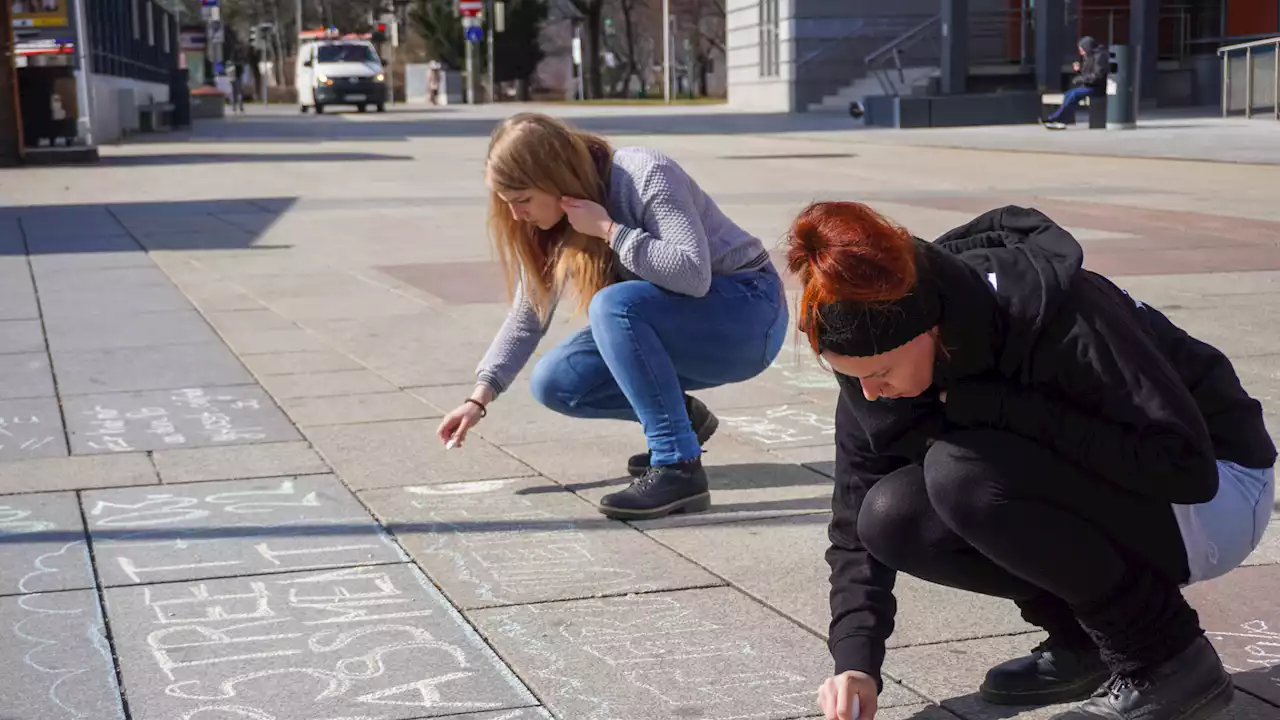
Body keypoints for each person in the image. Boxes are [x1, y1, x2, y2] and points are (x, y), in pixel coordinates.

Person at [785, 202, 1276, 720]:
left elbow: (1183, 465)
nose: (869, 391)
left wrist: (999, 408)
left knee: (963, 475)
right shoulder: (870, 354)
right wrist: (855, 660)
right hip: (1119, 488)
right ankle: (1082, 642)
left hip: (1219, 491)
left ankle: (1169, 662)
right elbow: (854, 517)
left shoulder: (1060, 313)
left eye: (880, 372)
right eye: (851, 377)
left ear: (931, 330)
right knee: (890, 516)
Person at [435, 113, 789, 520]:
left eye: (523, 201)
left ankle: (677, 466)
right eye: (507, 204)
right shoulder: (551, 221)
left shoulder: (643, 174)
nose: (516, 216)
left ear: (556, 178)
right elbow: (528, 314)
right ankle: (682, 421)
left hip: (749, 313)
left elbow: (693, 275)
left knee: (614, 305)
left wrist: (609, 230)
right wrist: (478, 399)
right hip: (691, 320)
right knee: (557, 380)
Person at [1043, 36, 1110, 130]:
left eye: (1082, 49)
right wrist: (1079, 71)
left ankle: (1056, 119)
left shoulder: (1100, 57)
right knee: (1069, 94)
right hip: (1090, 85)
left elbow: (1097, 76)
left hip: (1098, 88)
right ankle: (1062, 119)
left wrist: (1082, 79)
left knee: (1074, 94)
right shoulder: (1089, 56)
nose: (1081, 52)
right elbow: (1088, 74)